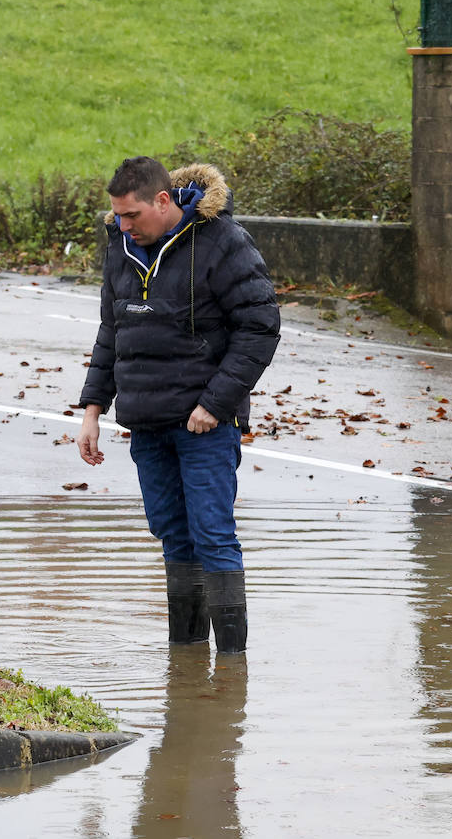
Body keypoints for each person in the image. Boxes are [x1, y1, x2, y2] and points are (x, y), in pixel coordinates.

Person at [76, 156, 279, 653]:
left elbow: (260, 326)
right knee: (174, 538)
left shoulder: (223, 242)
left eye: (133, 216)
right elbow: (113, 331)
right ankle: (185, 666)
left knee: (212, 536)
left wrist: (215, 404)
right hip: (148, 425)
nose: (123, 226)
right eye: (118, 216)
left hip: (205, 425)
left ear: (163, 201)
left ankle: (232, 669)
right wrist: (92, 409)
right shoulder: (120, 247)